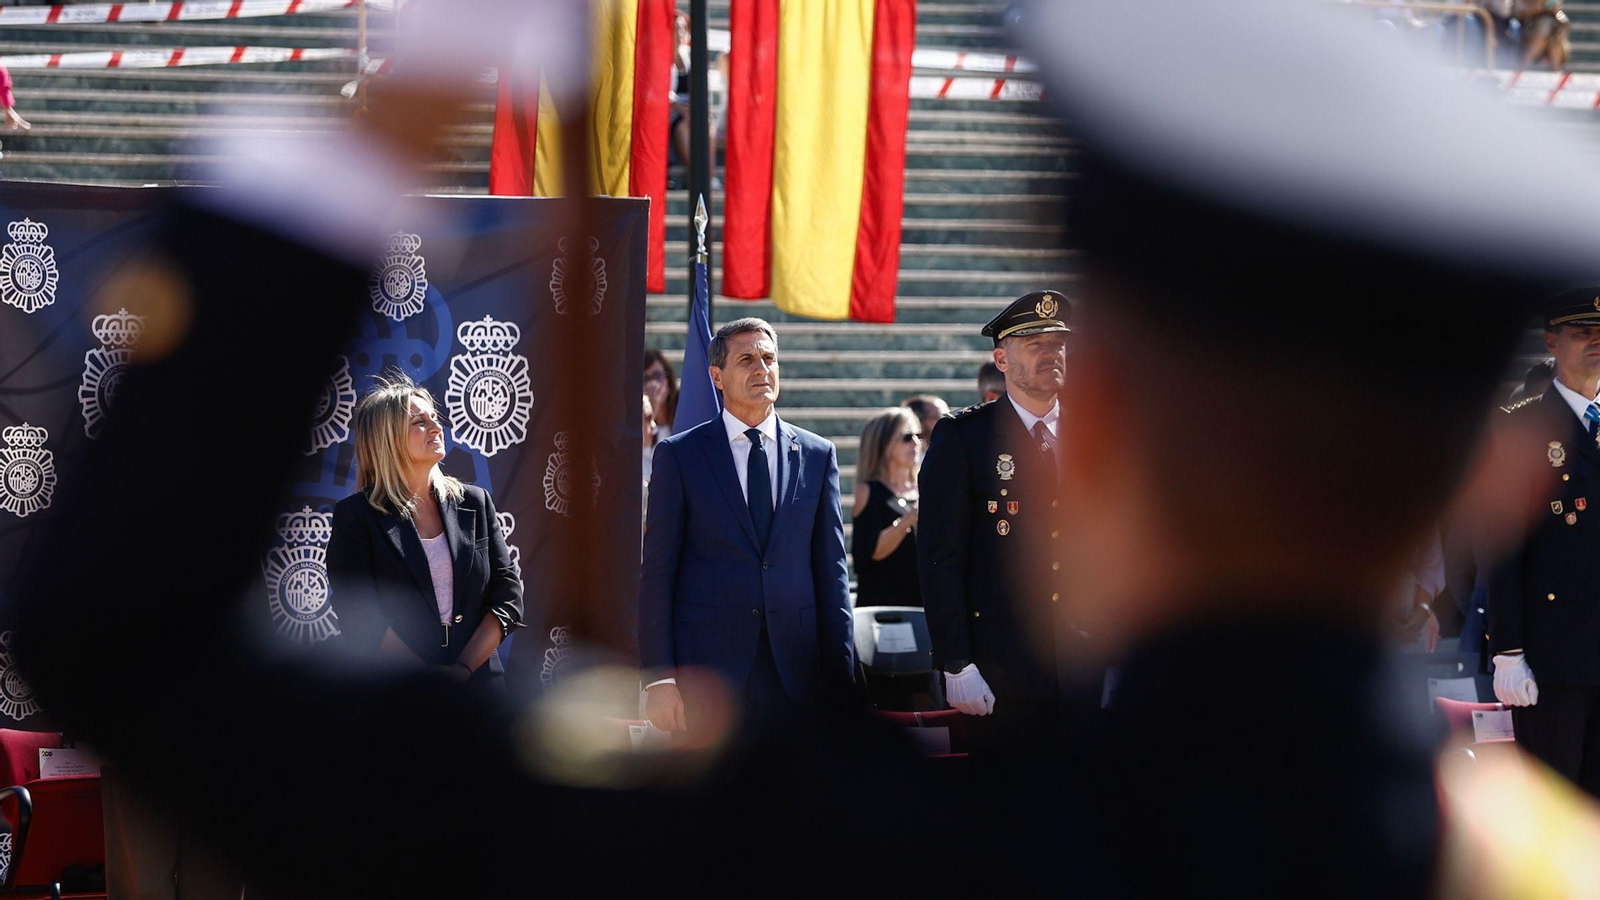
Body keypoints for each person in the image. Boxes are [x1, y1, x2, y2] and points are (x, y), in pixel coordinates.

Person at [639, 317, 853, 733]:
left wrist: (841, 676)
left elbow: (832, 573)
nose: (762, 369)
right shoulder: (680, 456)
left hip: (796, 667)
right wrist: (661, 678)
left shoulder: (817, 454)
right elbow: (658, 572)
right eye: (747, 360)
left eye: (769, 358)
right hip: (707, 673)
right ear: (716, 376)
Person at [916, 289, 1076, 753]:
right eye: (1035, 344)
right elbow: (939, 558)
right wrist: (957, 663)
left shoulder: (1094, 430)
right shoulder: (965, 436)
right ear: (1001, 359)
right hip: (1003, 665)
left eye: (1058, 344)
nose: (1051, 354)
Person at [325, 373, 525, 691]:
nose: (436, 427)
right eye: (419, 422)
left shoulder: (475, 501)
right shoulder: (355, 517)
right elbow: (360, 615)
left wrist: (462, 668)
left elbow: (508, 598)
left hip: (478, 690)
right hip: (396, 696)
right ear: (387, 439)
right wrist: (426, 682)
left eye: (434, 418)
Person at [1486, 289, 1600, 797]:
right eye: (1582, 333)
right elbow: (1503, 548)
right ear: (1552, 342)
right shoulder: (1521, 426)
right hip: (1554, 660)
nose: (1596, 343)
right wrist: (1508, 651)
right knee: (1557, 806)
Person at [851, 407, 922, 609]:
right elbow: (871, 552)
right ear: (884, 443)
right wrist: (907, 520)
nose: (916, 443)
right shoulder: (868, 491)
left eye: (919, 435)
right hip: (883, 606)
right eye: (907, 436)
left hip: (922, 602)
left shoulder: (922, 487)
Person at [643, 348, 677, 441]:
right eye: (646, 378)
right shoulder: (633, 422)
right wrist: (651, 409)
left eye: (657, 376)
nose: (652, 384)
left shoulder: (681, 413)